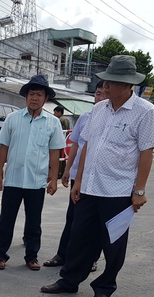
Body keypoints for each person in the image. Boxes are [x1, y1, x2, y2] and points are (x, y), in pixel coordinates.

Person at [41, 55, 154, 297]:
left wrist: (139, 190)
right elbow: (88, 147)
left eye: (111, 83)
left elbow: (147, 152)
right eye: (105, 82)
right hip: (90, 188)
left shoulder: (144, 111)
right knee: (79, 238)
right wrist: (79, 181)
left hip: (119, 191)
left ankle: (105, 286)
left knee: (113, 243)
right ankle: (69, 280)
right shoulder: (97, 110)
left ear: (128, 86)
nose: (104, 87)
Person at [0, 75, 65, 271]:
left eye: (39, 95)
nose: (35, 98)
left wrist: (54, 179)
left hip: (37, 180)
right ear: (26, 96)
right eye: (31, 94)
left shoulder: (52, 123)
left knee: (34, 221)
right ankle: (0, 255)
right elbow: (4, 148)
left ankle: (31, 256)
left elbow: (55, 151)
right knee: (6, 219)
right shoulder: (12, 118)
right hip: (13, 179)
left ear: (45, 98)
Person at [44, 80, 105, 271]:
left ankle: (91, 258)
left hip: (100, 179)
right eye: (97, 93)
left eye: (103, 93)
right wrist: (68, 170)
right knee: (73, 217)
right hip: (79, 176)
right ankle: (63, 254)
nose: (99, 97)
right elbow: (76, 145)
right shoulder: (86, 117)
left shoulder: (111, 118)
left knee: (95, 222)